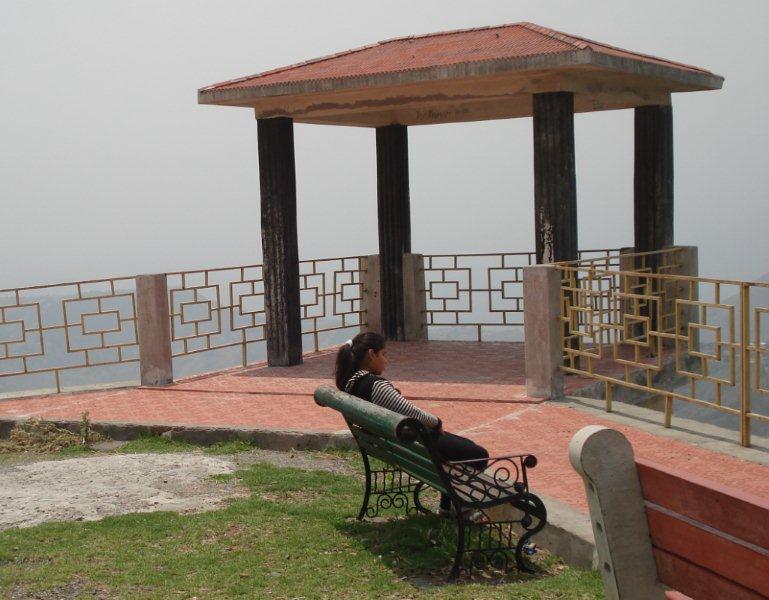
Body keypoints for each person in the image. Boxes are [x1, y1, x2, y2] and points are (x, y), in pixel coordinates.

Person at [334, 331, 489, 518]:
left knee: (465, 447)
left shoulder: (350, 385)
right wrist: (436, 422)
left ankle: (447, 508)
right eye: (383, 354)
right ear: (371, 354)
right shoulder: (375, 385)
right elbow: (412, 413)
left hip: (398, 448)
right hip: (414, 444)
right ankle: (462, 509)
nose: (386, 360)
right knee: (478, 455)